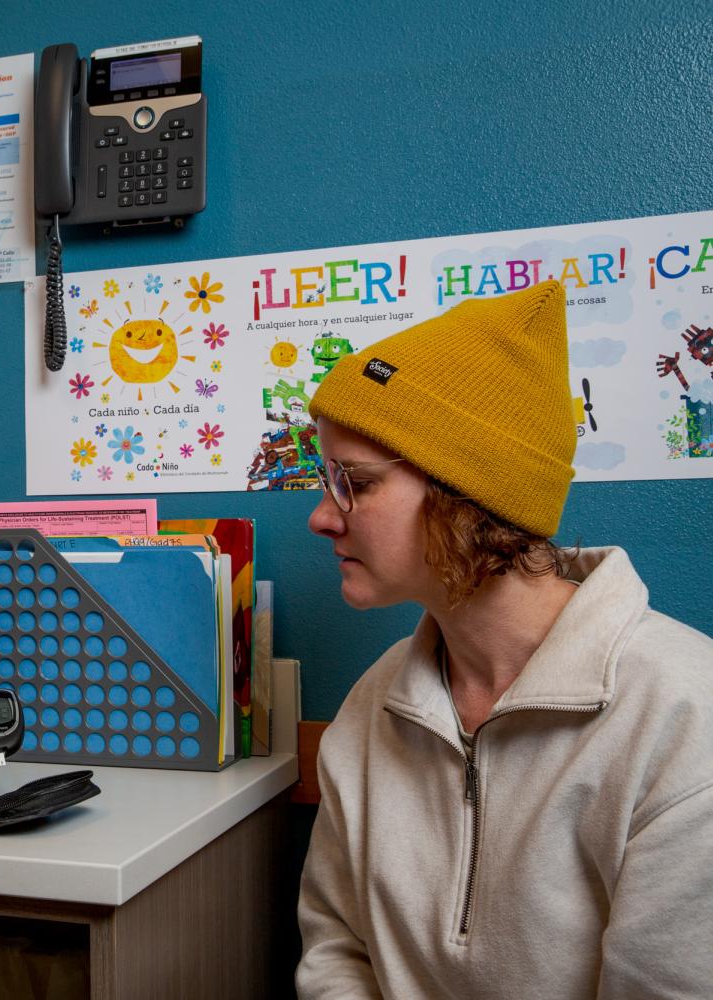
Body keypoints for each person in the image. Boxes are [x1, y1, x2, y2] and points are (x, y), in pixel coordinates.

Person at [295, 279, 713, 998]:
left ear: (466, 497)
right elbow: (336, 946)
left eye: (352, 482)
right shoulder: (375, 704)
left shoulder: (683, 721)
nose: (322, 518)